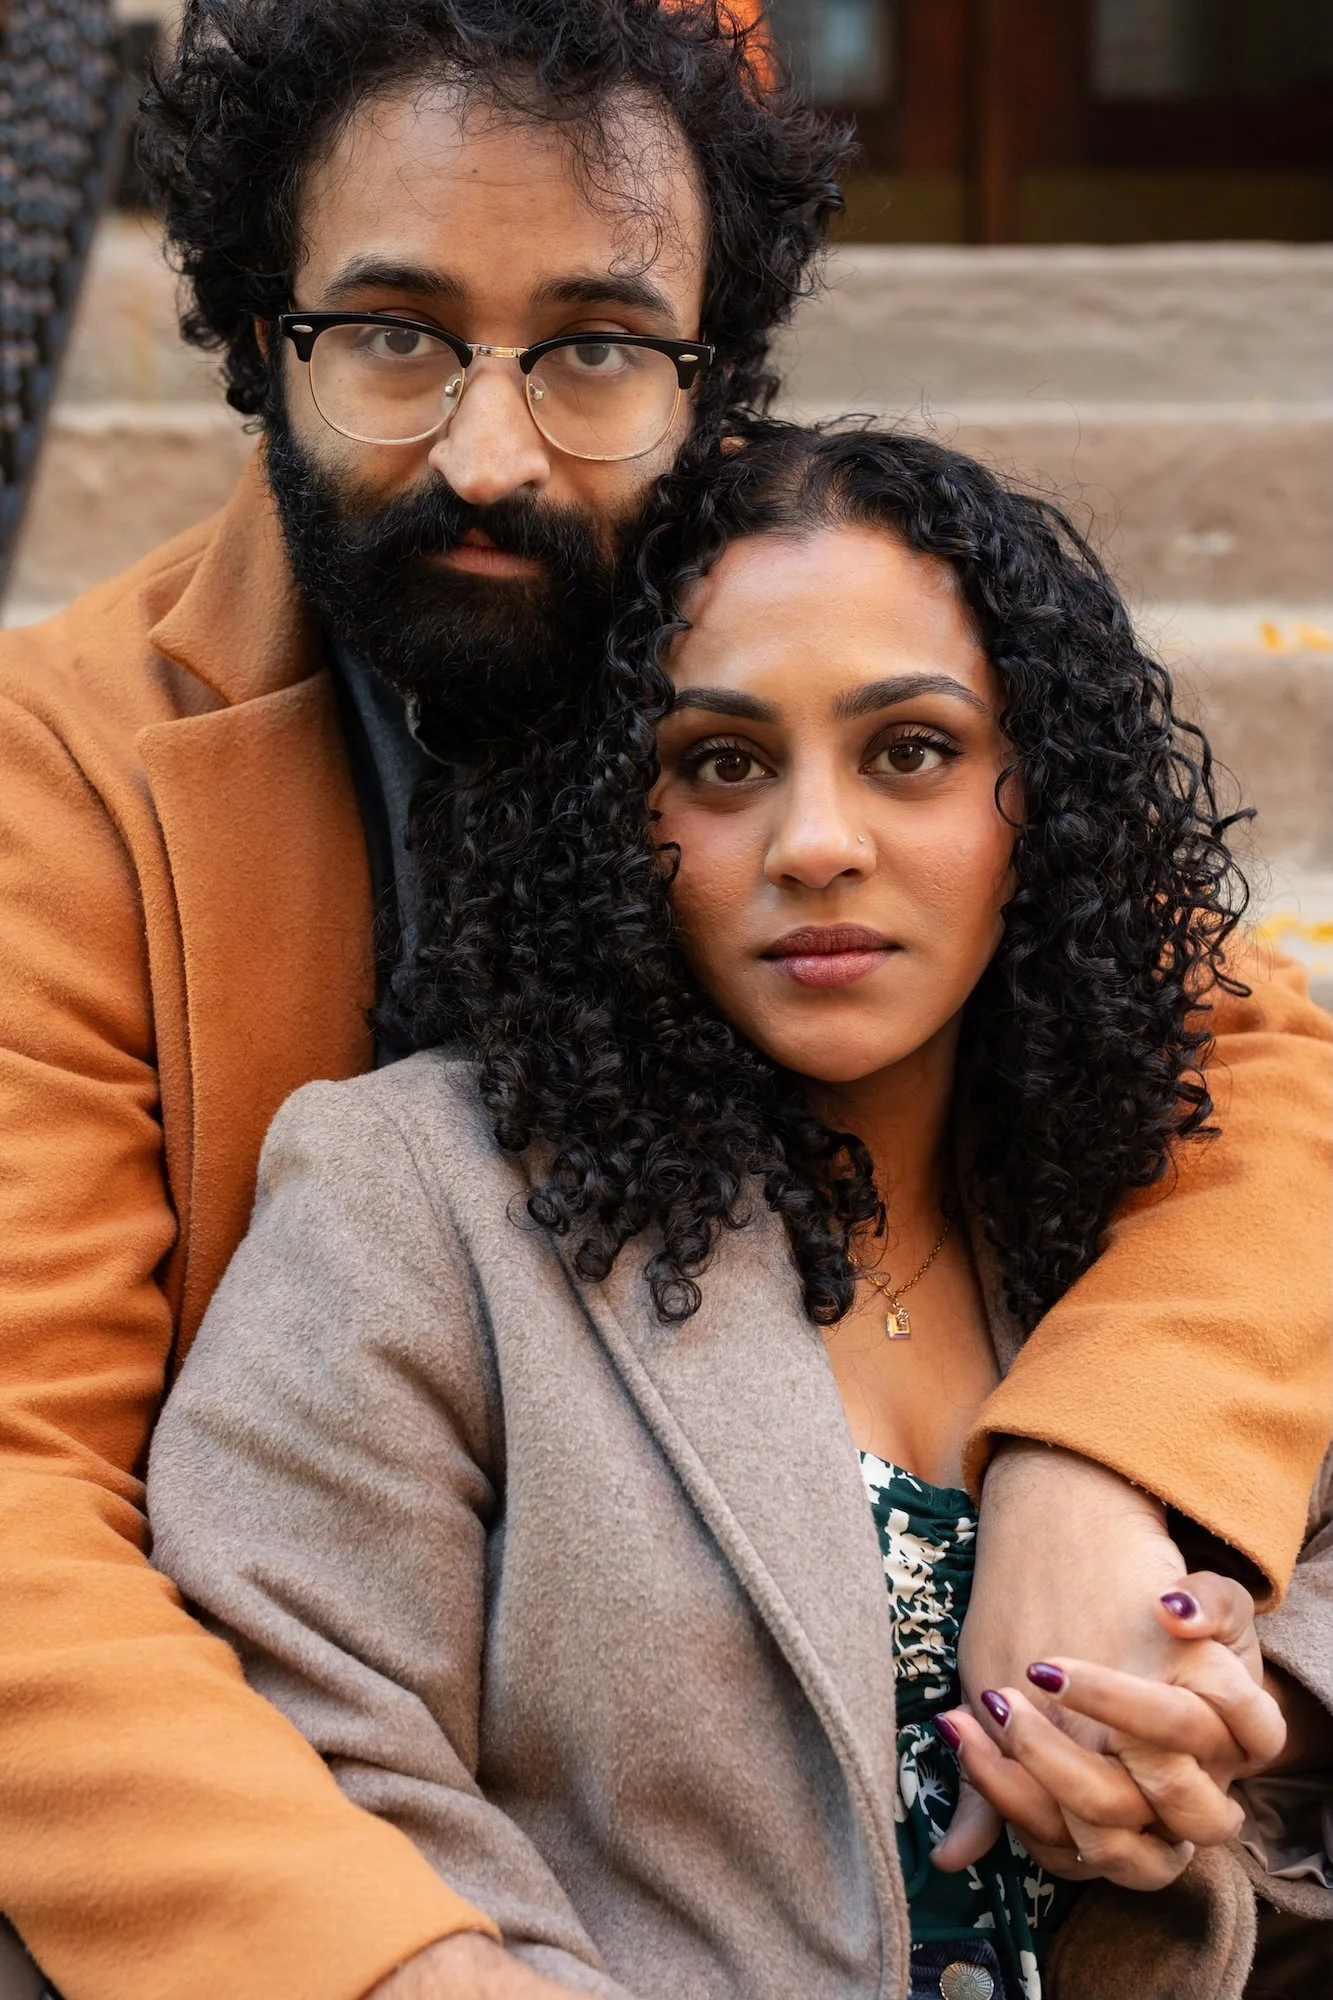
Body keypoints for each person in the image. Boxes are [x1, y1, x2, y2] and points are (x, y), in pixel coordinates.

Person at [0, 4, 1328, 1998]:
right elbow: (17, 1497)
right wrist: (402, 1968)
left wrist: (1104, 1468)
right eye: (391, 333)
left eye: (596, 348)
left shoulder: (788, 617)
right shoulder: (68, 767)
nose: (485, 449)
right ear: (256, 324)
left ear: (715, 362)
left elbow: (1234, 1054)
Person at [147, 424, 1333, 2000]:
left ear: (1038, 796)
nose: (817, 845)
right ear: (607, 816)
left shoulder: (1166, 1175)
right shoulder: (412, 1201)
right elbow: (323, 1778)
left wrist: (1242, 1703)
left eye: (908, 749)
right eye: (720, 763)